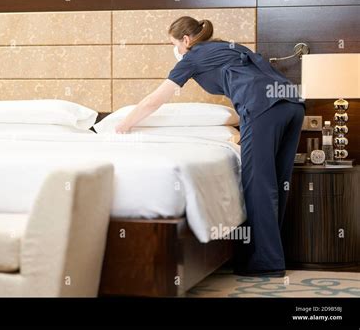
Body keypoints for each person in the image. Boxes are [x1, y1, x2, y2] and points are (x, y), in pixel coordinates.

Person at [115, 16, 305, 277]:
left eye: (174, 44)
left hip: (261, 108)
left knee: (257, 182)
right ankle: (271, 257)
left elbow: (154, 101)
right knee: (278, 180)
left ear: (185, 40)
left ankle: (266, 263)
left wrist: (123, 125)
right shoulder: (229, 46)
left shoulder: (192, 57)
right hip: (293, 103)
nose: (176, 51)